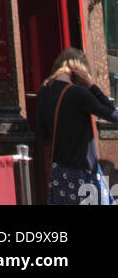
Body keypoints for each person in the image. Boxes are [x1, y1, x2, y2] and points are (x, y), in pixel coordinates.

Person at [35, 47, 118, 205]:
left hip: (60, 174)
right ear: (79, 71)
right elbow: (112, 113)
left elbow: (42, 133)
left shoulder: (44, 91)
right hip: (83, 173)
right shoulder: (78, 93)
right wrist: (91, 85)